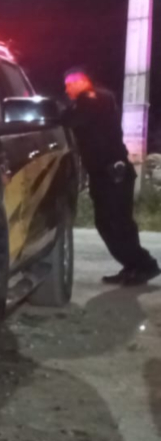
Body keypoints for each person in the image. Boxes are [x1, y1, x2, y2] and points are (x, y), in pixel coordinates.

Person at [63, 67, 160, 285]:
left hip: (113, 174)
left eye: (70, 84)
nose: (67, 89)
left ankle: (145, 265)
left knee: (115, 223)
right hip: (103, 174)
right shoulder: (89, 101)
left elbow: (70, 120)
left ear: (82, 81)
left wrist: (56, 114)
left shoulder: (94, 99)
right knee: (110, 223)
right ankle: (133, 266)